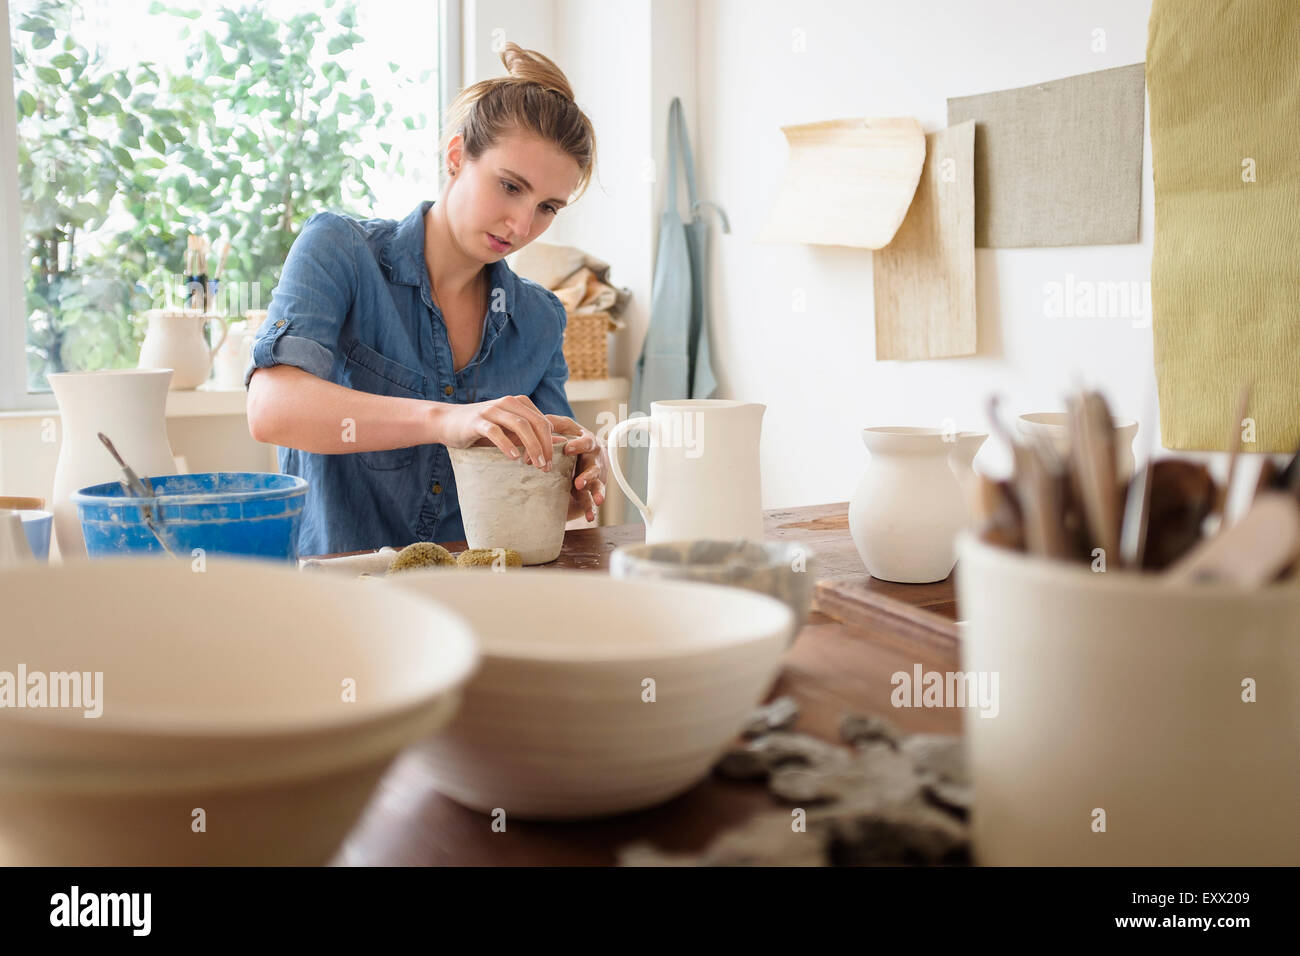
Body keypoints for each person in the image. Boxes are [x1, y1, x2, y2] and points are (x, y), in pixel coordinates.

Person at [245, 44, 607, 557]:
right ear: (456, 158)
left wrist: (579, 476)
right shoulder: (340, 251)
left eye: (547, 206)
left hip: (474, 601)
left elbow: (540, 491)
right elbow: (271, 410)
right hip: (338, 601)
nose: (523, 225)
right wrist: (446, 420)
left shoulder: (540, 318)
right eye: (509, 186)